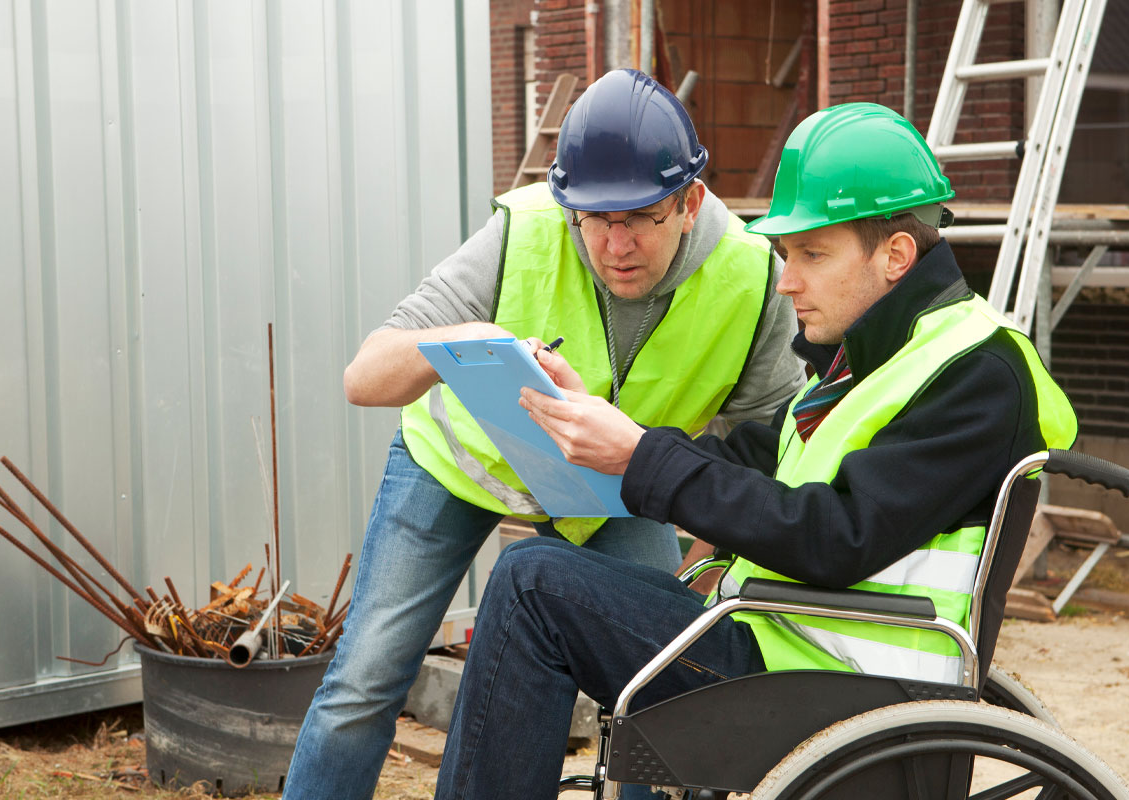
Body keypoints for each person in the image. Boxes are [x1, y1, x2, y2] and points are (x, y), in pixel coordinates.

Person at [431, 102, 1078, 800]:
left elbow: (838, 537)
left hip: (842, 682)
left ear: (895, 256)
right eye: (785, 255)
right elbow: (743, 463)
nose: (787, 279)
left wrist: (640, 457)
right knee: (535, 570)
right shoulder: (866, 364)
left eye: (812, 254)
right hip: (784, 647)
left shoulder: (977, 373)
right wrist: (613, 433)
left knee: (533, 584)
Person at [282, 69, 806, 799]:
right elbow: (362, 378)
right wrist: (467, 336)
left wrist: (708, 559)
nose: (615, 243)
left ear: (689, 203)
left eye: (642, 217)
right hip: (458, 468)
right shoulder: (523, 231)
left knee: (666, 683)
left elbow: (772, 451)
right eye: (595, 219)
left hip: (615, 494)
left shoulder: (752, 279)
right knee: (365, 680)